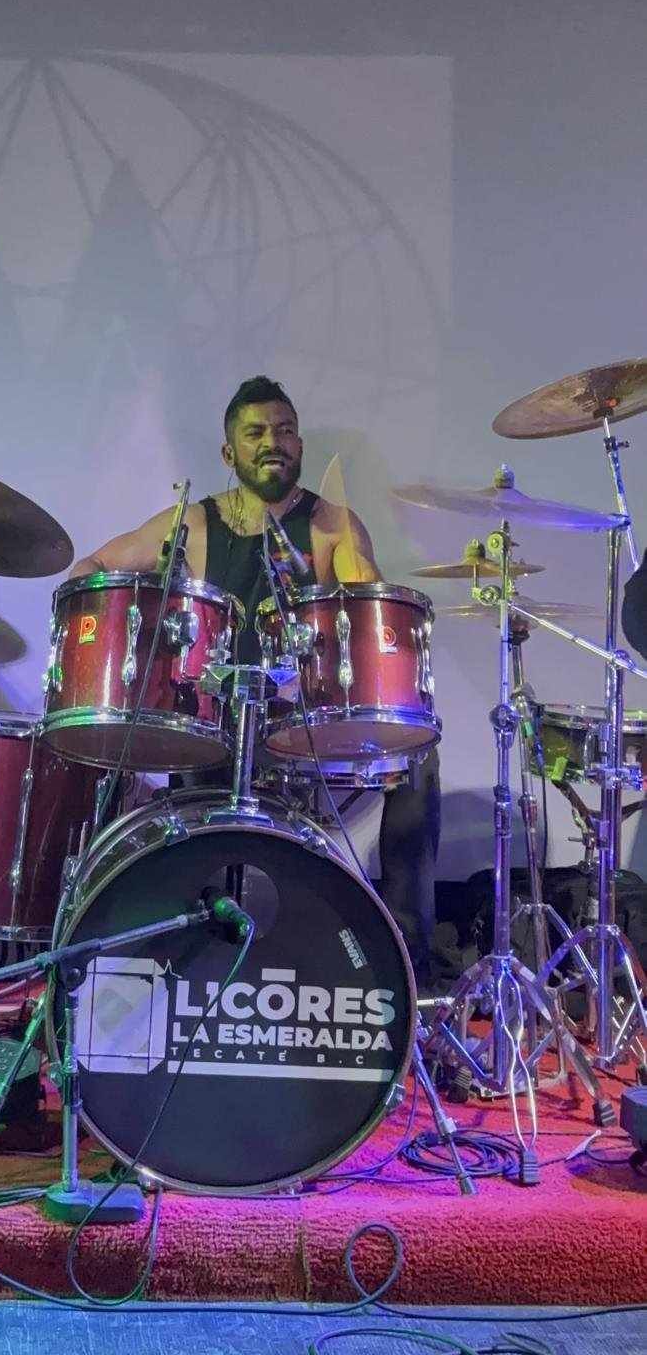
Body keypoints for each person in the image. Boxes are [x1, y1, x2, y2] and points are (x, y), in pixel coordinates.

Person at [71, 375, 441, 987]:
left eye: (286, 431)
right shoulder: (193, 523)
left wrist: (348, 571)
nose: (274, 442)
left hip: (301, 723)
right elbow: (94, 567)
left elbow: (365, 613)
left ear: (300, 445)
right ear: (230, 452)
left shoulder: (331, 524)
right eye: (257, 432)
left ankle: (407, 972)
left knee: (418, 759)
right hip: (217, 724)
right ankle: (116, 954)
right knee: (114, 740)